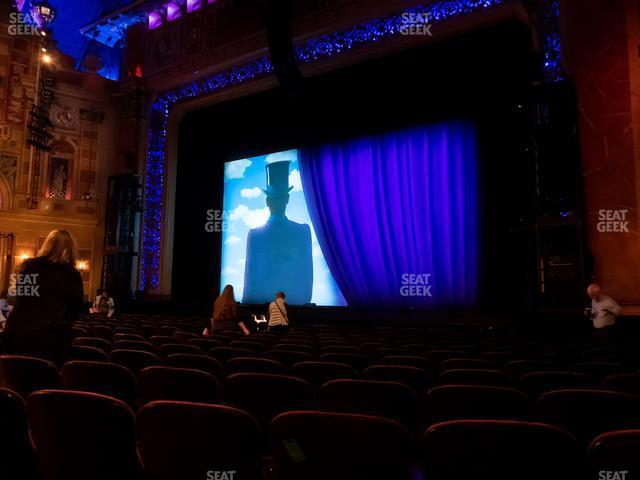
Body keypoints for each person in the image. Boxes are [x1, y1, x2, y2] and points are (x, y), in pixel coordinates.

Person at [3, 229, 84, 365]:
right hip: (52, 340)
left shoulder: (30, 266)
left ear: (47, 245)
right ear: (70, 249)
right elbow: (74, 312)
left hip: (19, 334)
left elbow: (21, 298)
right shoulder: (72, 274)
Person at [243, 160, 313, 305]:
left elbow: (250, 278)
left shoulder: (255, 235)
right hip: (297, 308)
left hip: (263, 307)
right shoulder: (302, 231)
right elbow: (307, 277)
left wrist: (247, 307)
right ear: (287, 199)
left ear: (267, 201)